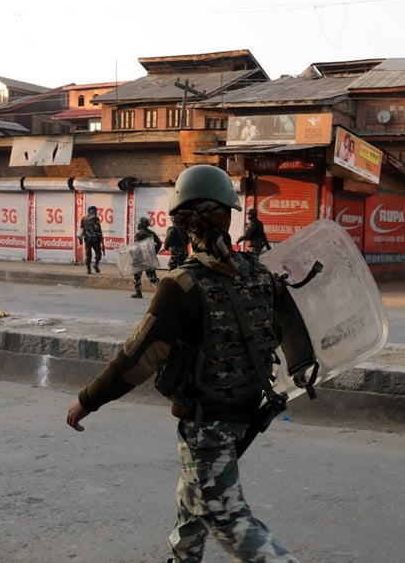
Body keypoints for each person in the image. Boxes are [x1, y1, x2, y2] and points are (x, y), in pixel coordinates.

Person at [66, 164, 309, 562]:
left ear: (184, 220)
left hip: (207, 420)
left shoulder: (182, 284)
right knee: (194, 490)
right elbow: (291, 331)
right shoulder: (258, 273)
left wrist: (88, 399)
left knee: (226, 515)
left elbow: (137, 358)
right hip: (247, 409)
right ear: (227, 216)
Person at [131, 217, 162, 299]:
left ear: (141, 225)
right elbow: (159, 242)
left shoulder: (139, 234)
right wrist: (155, 252)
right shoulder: (151, 233)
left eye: (139, 223)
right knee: (153, 278)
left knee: (137, 276)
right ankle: (163, 290)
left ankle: (138, 293)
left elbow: (136, 247)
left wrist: (132, 256)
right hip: (149, 258)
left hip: (140, 259)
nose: (138, 225)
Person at [78, 205, 104, 274]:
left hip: (87, 239)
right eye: (95, 211)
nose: (96, 212)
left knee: (88, 255)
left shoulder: (84, 218)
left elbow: (81, 229)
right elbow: (98, 229)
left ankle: (88, 269)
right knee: (98, 254)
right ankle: (95, 264)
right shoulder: (96, 218)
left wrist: (80, 239)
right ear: (92, 211)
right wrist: (101, 239)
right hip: (95, 239)